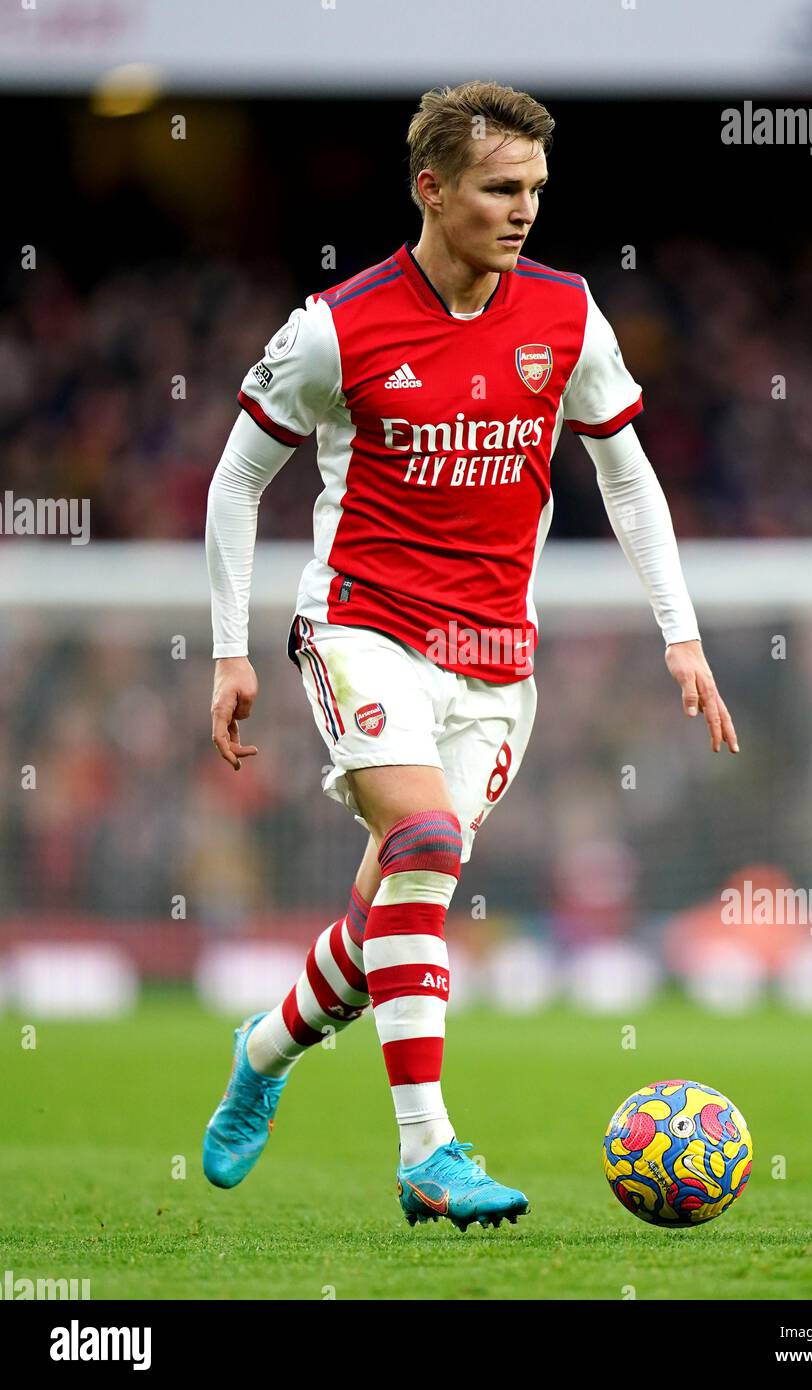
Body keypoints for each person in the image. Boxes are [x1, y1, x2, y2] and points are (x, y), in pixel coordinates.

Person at [202, 79, 738, 1232]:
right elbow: (238, 477)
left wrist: (680, 634)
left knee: (389, 911)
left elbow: (627, 473)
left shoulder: (567, 314)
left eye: (537, 189)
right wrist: (229, 651)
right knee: (429, 842)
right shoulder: (335, 326)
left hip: (497, 660)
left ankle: (260, 1051)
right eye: (502, 188)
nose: (525, 210)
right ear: (431, 188)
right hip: (362, 627)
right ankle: (428, 1151)